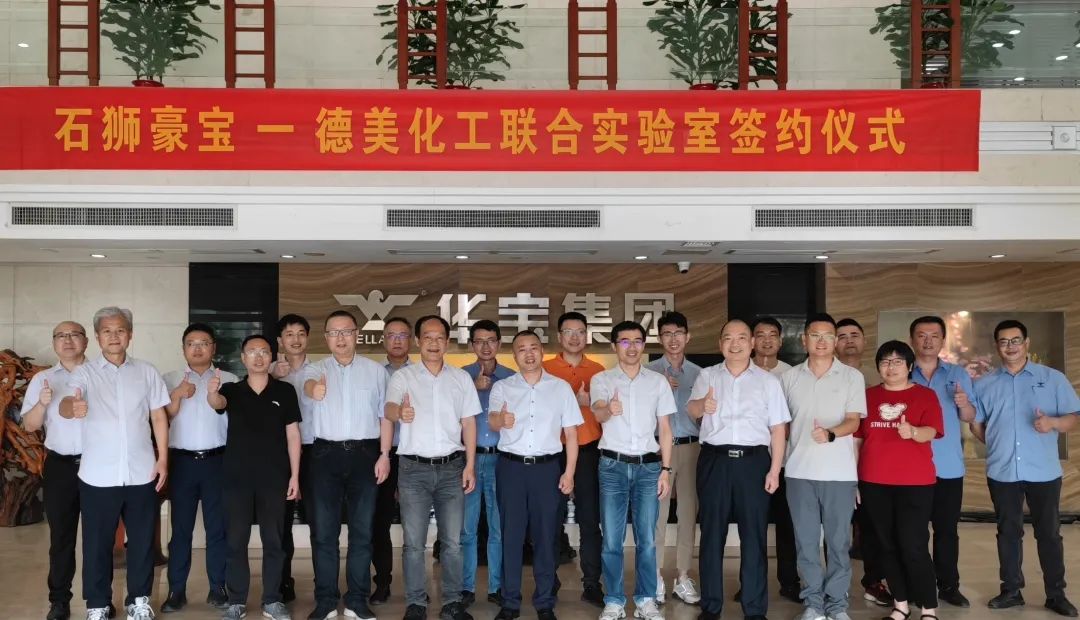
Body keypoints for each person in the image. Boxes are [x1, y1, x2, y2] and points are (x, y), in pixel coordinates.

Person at [60, 306, 169, 620]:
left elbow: (158, 416)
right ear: (97, 337)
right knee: (97, 543)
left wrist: (163, 459)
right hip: (98, 476)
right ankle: (97, 604)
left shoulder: (147, 371)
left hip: (141, 473)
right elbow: (68, 402)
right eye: (107, 331)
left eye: (120, 330)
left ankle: (139, 601)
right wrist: (72, 407)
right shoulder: (84, 373)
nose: (114, 336)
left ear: (130, 335)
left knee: (142, 542)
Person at [972, 319, 1080, 618]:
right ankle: (1011, 591)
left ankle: (1056, 594)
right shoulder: (984, 384)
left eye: (1016, 340)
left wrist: (1053, 423)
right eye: (1004, 341)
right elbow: (978, 426)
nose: (1010, 346)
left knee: (1049, 534)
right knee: (1008, 532)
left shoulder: (1053, 378)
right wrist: (997, 443)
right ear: (997, 346)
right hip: (1002, 470)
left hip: (1043, 471)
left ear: (1027, 343)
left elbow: (1073, 417)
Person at [687, 319, 789, 620]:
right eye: (728, 338)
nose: (735, 344)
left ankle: (755, 610)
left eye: (742, 337)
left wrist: (774, 471)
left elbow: (778, 429)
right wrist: (702, 406)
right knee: (711, 534)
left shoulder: (768, 382)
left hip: (753, 463)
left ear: (752, 343)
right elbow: (691, 409)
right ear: (720, 344)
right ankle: (711, 607)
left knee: (754, 536)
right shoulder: (707, 375)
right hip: (714, 461)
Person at [385, 315, 480, 620]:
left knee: (452, 542)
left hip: (452, 468)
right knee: (414, 544)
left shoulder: (460, 379)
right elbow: (388, 409)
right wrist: (400, 412)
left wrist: (470, 465)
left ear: (447, 342)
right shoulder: (403, 377)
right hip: (413, 470)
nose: (434, 343)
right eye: (428, 337)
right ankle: (416, 603)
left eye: (440, 338)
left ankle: (452, 602)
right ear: (418, 341)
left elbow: (469, 423)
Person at [302, 310, 392, 620]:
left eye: (346, 331)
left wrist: (384, 455)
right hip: (324, 455)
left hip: (365, 455)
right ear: (326, 337)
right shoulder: (315, 368)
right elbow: (307, 386)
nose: (340, 338)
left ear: (357, 335)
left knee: (362, 532)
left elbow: (385, 416)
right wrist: (314, 389)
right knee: (324, 533)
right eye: (334, 332)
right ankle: (326, 600)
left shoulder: (376, 371)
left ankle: (357, 600)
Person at [488, 330, 582, 620]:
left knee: (546, 536)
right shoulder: (503, 387)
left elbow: (572, 434)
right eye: (521, 349)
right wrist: (501, 419)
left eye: (533, 348)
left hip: (547, 469)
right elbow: (492, 421)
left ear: (542, 351)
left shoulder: (560, 388)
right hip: (511, 469)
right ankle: (510, 602)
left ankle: (544, 602)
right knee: (511, 536)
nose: (528, 354)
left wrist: (569, 472)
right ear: (513, 355)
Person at [208, 334, 302, 620]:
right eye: (252, 351)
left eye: (264, 351)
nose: (259, 356)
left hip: (275, 477)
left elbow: (293, 434)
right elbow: (217, 403)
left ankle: (272, 600)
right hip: (236, 478)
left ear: (271, 356)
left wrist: (295, 476)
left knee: (274, 540)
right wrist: (211, 392)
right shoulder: (232, 390)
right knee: (236, 541)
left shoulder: (285, 391)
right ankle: (237, 600)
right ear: (243, 358)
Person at [780, 313, 866, 620]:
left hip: (839, 474)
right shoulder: (789, 378)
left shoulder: (851, 377)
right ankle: (813, 603)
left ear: (835, 341)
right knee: (805, 543)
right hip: (798, 472)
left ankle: (837, 604)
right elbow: (781, 425)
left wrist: (830, 433)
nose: (821, 341)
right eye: (815, 335)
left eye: (828, 336)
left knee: (838, 543)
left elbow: (854, 421)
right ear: (804, 340)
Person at [591, 320, 674, 620]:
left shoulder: (658, 382)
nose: (631, 347)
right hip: (612, 466)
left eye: (637, 341)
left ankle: (645, 599)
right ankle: (614, 600)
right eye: (624, 341)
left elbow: (666, 429)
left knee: (647, 540)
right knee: (611, 540)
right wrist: (608, 410)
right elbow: (598, 412)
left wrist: (666, 469)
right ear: (614, 346)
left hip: (649, 467)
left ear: (643, 345)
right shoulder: (602, 379)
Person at [857, 341, 944, 620]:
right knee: (886, 544)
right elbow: (858, 440)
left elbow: (933, 431)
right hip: (873, 481)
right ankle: (901, 604)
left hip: (915, 482)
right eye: (885, 361)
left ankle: (928, 607)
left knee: (913, 544)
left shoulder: (925, 396)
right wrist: (855, 479)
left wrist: (913, 432)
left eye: (897, 361)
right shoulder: (867, 396)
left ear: (909, 366)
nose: (891, 367)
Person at [160, 323, 236, 614]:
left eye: (204, 342)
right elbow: (160, 419)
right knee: (181, 531)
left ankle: (218, 588)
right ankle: (176, 591)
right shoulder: (168, 379)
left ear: (213, 348)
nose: (198, 348)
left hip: (219, 462)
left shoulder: (229, 380)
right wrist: (177, 394)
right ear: (183, 349)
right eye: (191, 343)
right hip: (182, 464)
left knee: (218, 529)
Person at [20, 321, 89, 620]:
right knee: (61, 537)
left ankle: (98, 600)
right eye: (61, 335)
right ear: (54, 343)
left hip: (98, 464)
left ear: (86, 341)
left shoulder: (100, 374)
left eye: (74, 335)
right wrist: (41, 404)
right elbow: (29, 425)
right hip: (60, 466)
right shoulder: (43, 379)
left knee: (99, 538)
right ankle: (59, 600)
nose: (68, 340)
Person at [908, 315, 976, 608]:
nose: (928, 341)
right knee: (914, 532)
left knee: (947, 530)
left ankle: (949, 585)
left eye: (934, 335)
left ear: (942, 340)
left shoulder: (957, 374)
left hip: (948, 466)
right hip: (911, 468)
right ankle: (917, 585)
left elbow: (970, 417)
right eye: (922, 335)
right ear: (912, 340)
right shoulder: (903, 372)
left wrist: (964, 404)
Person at [543, 311, 607, 607]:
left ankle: (592, 583)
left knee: (590, 519)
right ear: (559, 336)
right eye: (568, 331)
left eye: (580, 331)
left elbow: (609, 414)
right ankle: (549, 582)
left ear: (587, 336)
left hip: (589, 451)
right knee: (550, 519)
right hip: (552, 452)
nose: (574, 337)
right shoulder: (544, 369)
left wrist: (589, 404)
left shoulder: (599, 371)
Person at [744, 316, 802, 605]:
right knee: (751, 526)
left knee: (786, 525)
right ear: (752, 341)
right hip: (751, 462)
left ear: (780, 341)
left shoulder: (791, 374)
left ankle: (789, 581)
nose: (766, 340)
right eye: (760, 334)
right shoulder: (742, 370)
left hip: (786, 461)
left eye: (772, 335)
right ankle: (749, 583)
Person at [645, 311, 703, 605]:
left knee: (688, 514)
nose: (673, 339)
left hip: (692, 448)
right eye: (667, 333)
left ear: (687, 336)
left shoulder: (701, 374)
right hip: (659, 449)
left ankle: (682, 576)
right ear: (660, 338)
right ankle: (655, 575)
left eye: (678, 332)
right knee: (657, 515)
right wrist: (659, 393)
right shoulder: (648, 372)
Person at [835, 316, 891, 607]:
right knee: (835, 531)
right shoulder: (826, 374)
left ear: (864, 340)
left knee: (872, 529)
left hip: (871, 464)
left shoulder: (877, 376)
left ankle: (874, 582)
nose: (849, 341)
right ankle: (834, 587)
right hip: (833, 462)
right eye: (842, 336)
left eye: (854, 335)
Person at [461, 320, 514, 607]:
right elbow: (445, 413)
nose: (485, 346)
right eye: (479, 341)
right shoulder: (459, 377)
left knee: (498, 528)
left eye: (491, 340)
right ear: (471, 345)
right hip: (467, 460)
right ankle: (466, 588)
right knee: (467, 528)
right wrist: (472, 387)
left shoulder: (512, 378)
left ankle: (496, 587)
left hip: (500, 459)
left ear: (499, 344)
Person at [271, 313, 316, 604]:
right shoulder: (269, 371)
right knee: (281, 522)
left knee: (318, 520)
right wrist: (273, 377)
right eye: (289, 334)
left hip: (314, 451)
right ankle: (283, 581)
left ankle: (323, 582)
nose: (295, 339)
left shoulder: (321, 370)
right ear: (280, 340)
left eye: (300, 333)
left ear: (307, 337)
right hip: (280, 454)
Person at [371, 316, 412, 605]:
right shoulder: (374, 374)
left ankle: (415, 587)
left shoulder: (422, 373)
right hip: (381, 455)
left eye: (402, 335)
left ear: (411, 340)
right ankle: (382, 582)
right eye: (391, 335)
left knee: (414, 523)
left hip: (414, 455)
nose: (397, 340)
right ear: (383, 340)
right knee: (380, 521)